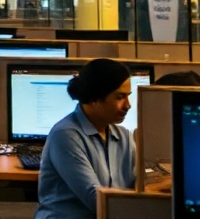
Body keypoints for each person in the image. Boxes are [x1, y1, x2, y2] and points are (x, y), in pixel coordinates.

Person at [35, 59, 137, 219]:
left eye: (128, 96)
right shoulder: (66, 135)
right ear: (94, 98)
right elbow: (96, 200)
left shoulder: (123, 136)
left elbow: (136, 185)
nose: (128, 105)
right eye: (120, 97)